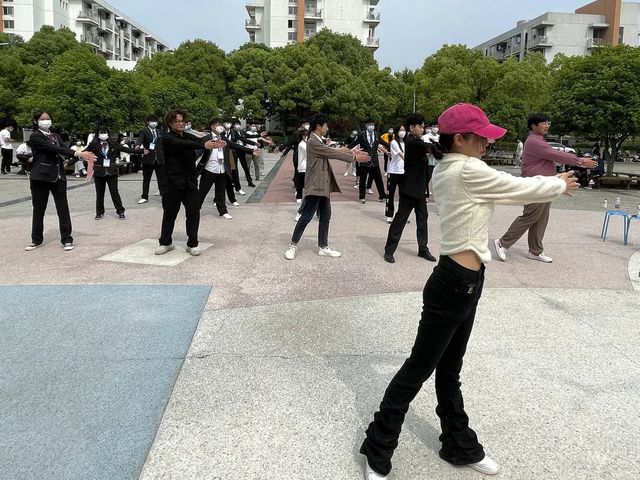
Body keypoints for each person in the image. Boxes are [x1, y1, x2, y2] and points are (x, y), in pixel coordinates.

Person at [361, 103, 579, 480]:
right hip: (453, 284)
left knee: (449, 369)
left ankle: (459, 445)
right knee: (418, 369)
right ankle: (377, 449)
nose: (486, 143)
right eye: (481, 137)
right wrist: (558, 183)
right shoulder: (465, 169)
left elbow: (505, 187)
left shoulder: (451, 168)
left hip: (466, 280)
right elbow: (517, 187)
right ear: (459, 139)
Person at [493, 113, 597, 263]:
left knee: (541, 217)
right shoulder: (534, 141)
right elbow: (555, 154)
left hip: (545, 184)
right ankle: (502, 243)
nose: (547, 125)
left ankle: (535, 251)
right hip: (536, 185)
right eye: (543, 123)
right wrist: (579, 161)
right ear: (533, 126)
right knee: (531, 215)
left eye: (548, 123)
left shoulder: (539, 140)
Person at [284, 113, 370, 260]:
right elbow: (330, 153)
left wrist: (350, 151)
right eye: (326, 126)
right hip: (316, 184)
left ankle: (323, 247)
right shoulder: (312, 141)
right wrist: (354, 157)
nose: (327, 128)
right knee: (306, 216)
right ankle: (293, 245)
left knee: (325, 216)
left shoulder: (318, 140)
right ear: (318, 126)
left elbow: (331, 150)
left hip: (323, 184)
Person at [24, 111, 97, 251]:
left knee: (63, 208)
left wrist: (82, 155)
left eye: (48, 118)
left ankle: (67, 238)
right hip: (41, 177)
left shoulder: (56, 136)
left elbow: (65, 149)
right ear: (35, 121)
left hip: (58, 176)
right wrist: (77, 153)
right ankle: (36, 239)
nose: (46, 121)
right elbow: (52, 149)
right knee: (39, 209)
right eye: (42, 119)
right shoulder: (35, 137)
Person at [155, 109, 222, 257]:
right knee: (169, 214)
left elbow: (198, 140)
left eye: (183, 121)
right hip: (172, 182)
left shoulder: (188, 136)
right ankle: (165, 242)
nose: (181, 124)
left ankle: (192, 243)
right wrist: (203, 145)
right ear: (170, 123)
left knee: (193, 213)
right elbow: (182, 143)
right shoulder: (166, 138)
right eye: (177, 121)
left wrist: (213, 141)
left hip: (190, 182)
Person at [383, 114, 437, 264]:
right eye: (420, 126)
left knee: (423, 218)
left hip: (420, 188)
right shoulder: (412, 141)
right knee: (401, 219)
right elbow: (430, 148)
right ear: (411, 128)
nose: (422, 129)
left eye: (423, 126)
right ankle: (389, 250)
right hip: (409, 188)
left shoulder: (418, 141)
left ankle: (423, 248)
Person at [198, 118, 258, 219]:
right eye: (218, 125)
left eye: (221, 125)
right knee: (202, 192)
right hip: (209, 170)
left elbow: (235, 145)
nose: (221, 127)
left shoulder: (223, 139)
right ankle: (195, 210)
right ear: (212, 126)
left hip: (222, 169)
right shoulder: (206, 138)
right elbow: (197, 150)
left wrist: (251, 151)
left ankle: (223, 211)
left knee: (221, 192)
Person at [84, 127, 140, 220]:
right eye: (101, 133)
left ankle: (120, 211)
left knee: (114, 192)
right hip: (99, 172)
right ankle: (99, 212)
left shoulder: (114, 144)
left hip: (111, 172)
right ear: (98, 134)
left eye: (105, 132)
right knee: (99, 193)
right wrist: (69, 161)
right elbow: (83, 153)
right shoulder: (93, 145)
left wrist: (141, 151)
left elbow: (128, 150)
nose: (103, 135)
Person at [349, 119, 387, 203]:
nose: (371, 126)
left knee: (379, 180)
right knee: (363, 180)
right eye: (369, 124)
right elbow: (354, 143)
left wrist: (392, 146)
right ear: (366, 125)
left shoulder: (377, 134)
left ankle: (382, 196)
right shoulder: (361, 135)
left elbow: (383, 143)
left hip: (374, 161)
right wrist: (346, 149)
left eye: (372, 124)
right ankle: (362, 197)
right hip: (364, 160)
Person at [137, 114, 166, 204]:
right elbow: (140, 139)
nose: (154, 123)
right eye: (152, 121)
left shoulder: (160, 131)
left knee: (162, 179)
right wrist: (138, 145)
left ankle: (164, 195)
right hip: (148, 158)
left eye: (155, 121)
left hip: (159, 159)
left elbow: (165, 142)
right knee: (146, 179)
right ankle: (144, 196)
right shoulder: (144, 131)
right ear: (148, 122)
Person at [385, 125, 406, 224]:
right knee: (391, 194)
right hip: (393, 172)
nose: (402, 132)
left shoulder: (406, 143)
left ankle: (402, 216)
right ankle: (389, 214)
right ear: (397, 132)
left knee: (403, 195)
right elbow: (402, 155)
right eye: (400, 130)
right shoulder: (394, 142)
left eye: (404, 130)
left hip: (403, 172)